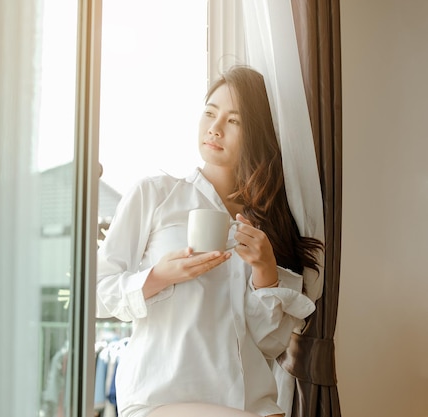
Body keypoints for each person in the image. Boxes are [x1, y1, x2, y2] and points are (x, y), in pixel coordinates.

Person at [96, 66, 324, 417]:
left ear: (256, 132)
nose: (215, 128)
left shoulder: (268, 226)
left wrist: (265, 270)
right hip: (162, 396)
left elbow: (266, 343)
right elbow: (96, 292)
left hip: (249, 401)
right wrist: (159, 276)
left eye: (233, 120)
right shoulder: (156, 195)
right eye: (209, 113)